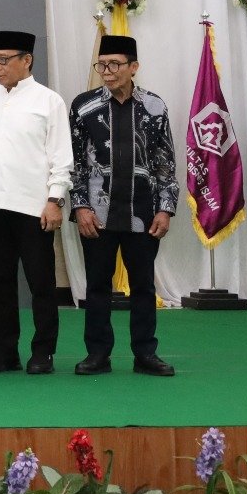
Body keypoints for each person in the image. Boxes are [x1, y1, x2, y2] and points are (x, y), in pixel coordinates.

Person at [68, 35, 178, 377]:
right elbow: (75, 164)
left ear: (134, 67)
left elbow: (165, 164)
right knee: (97, 286)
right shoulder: (84, 107)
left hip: (143, 214)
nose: (107, 71)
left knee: (143, 287)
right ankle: (97, 354)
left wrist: (165, 208)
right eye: (102, 65)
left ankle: (145, 354)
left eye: (115, 64)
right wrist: (81, 206)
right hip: (97, 215)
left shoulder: (155, 107)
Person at [0, 30, 71, 375]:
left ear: (26, 60)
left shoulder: (49, 101)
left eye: (4, 60)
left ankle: (43, 352)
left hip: (34, 208)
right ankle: (4, 351)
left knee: (41, 284)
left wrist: (54, 199)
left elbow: (61, 157)